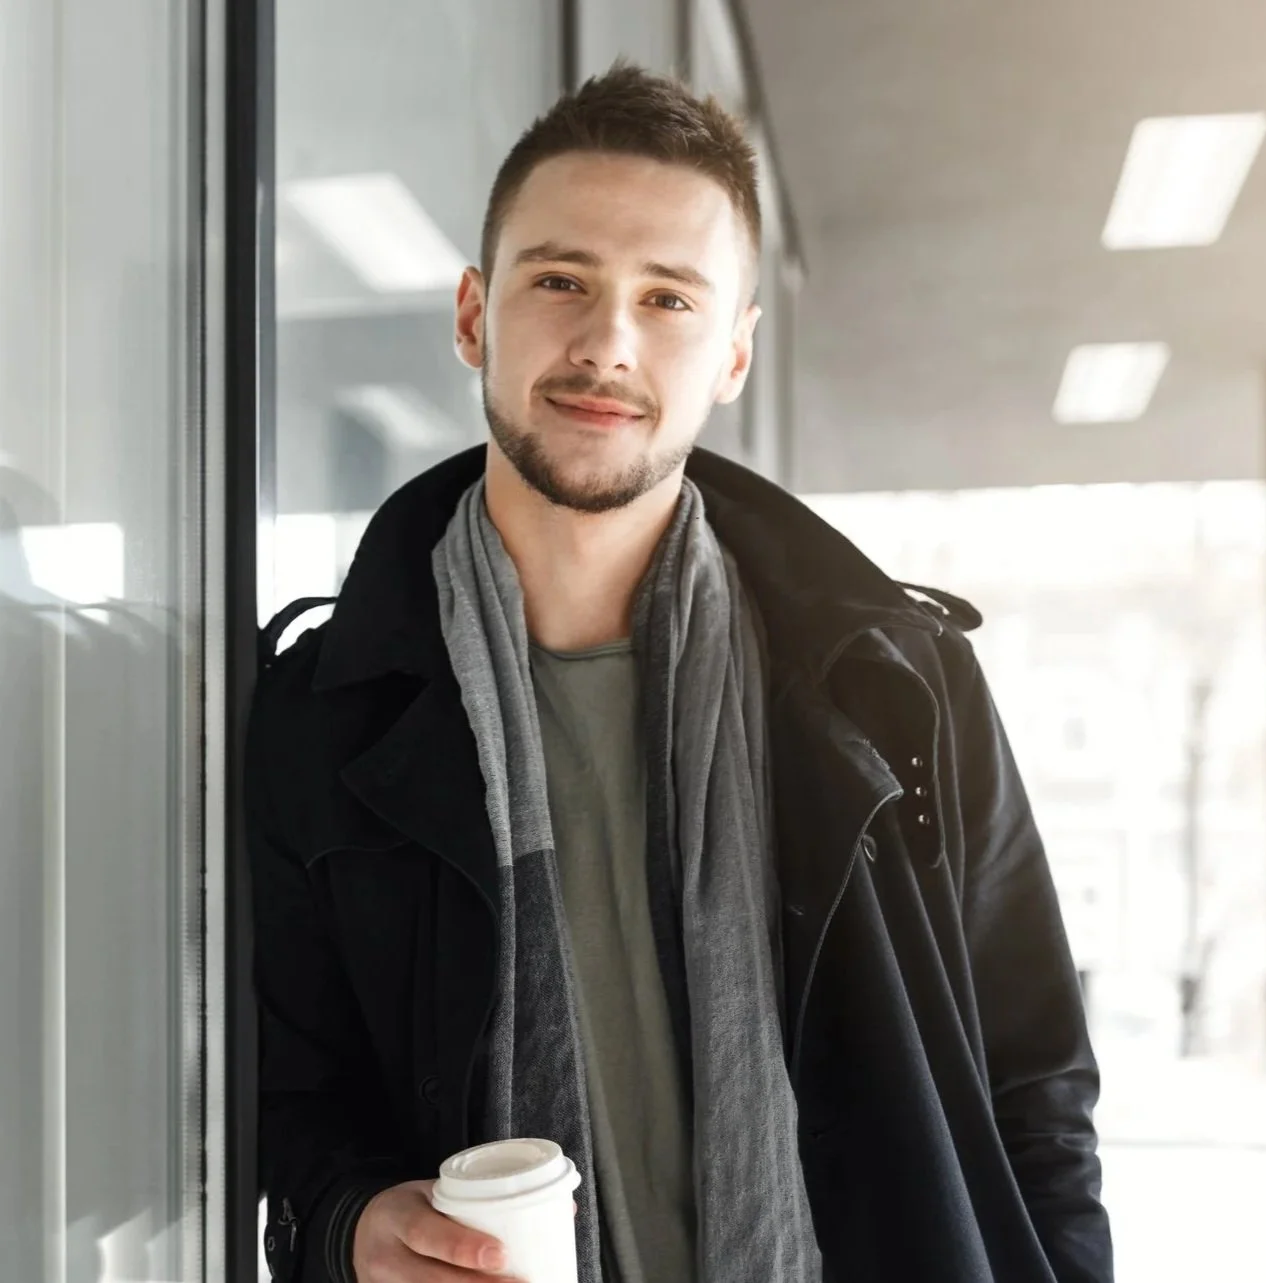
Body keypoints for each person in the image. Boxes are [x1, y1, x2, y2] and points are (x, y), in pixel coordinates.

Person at [247, 63, 1112, 1283]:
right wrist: (349, 1226)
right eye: (560, 280)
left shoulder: (891, 690)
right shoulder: (314, 721)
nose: (606, 341)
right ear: (471, 315)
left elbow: (1034, 1088)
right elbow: (280, 1095)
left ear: (734, 357)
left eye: (667, 298)